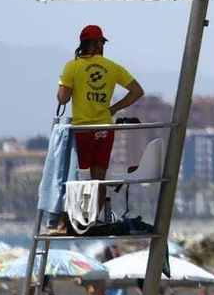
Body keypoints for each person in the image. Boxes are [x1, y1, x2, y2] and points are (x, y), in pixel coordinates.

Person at [51, 24, 145, 234]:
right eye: (102, 42)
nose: (103, 46)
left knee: (71, 178)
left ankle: (66, 223)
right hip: (104, 130)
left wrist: (65, 85)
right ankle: (91, 221)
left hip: (82, 131)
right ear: (96, 43)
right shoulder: (112, 67)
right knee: (98, 179)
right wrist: (113, 109)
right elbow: (137, 91)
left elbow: (62, 98)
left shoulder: (72, 67)